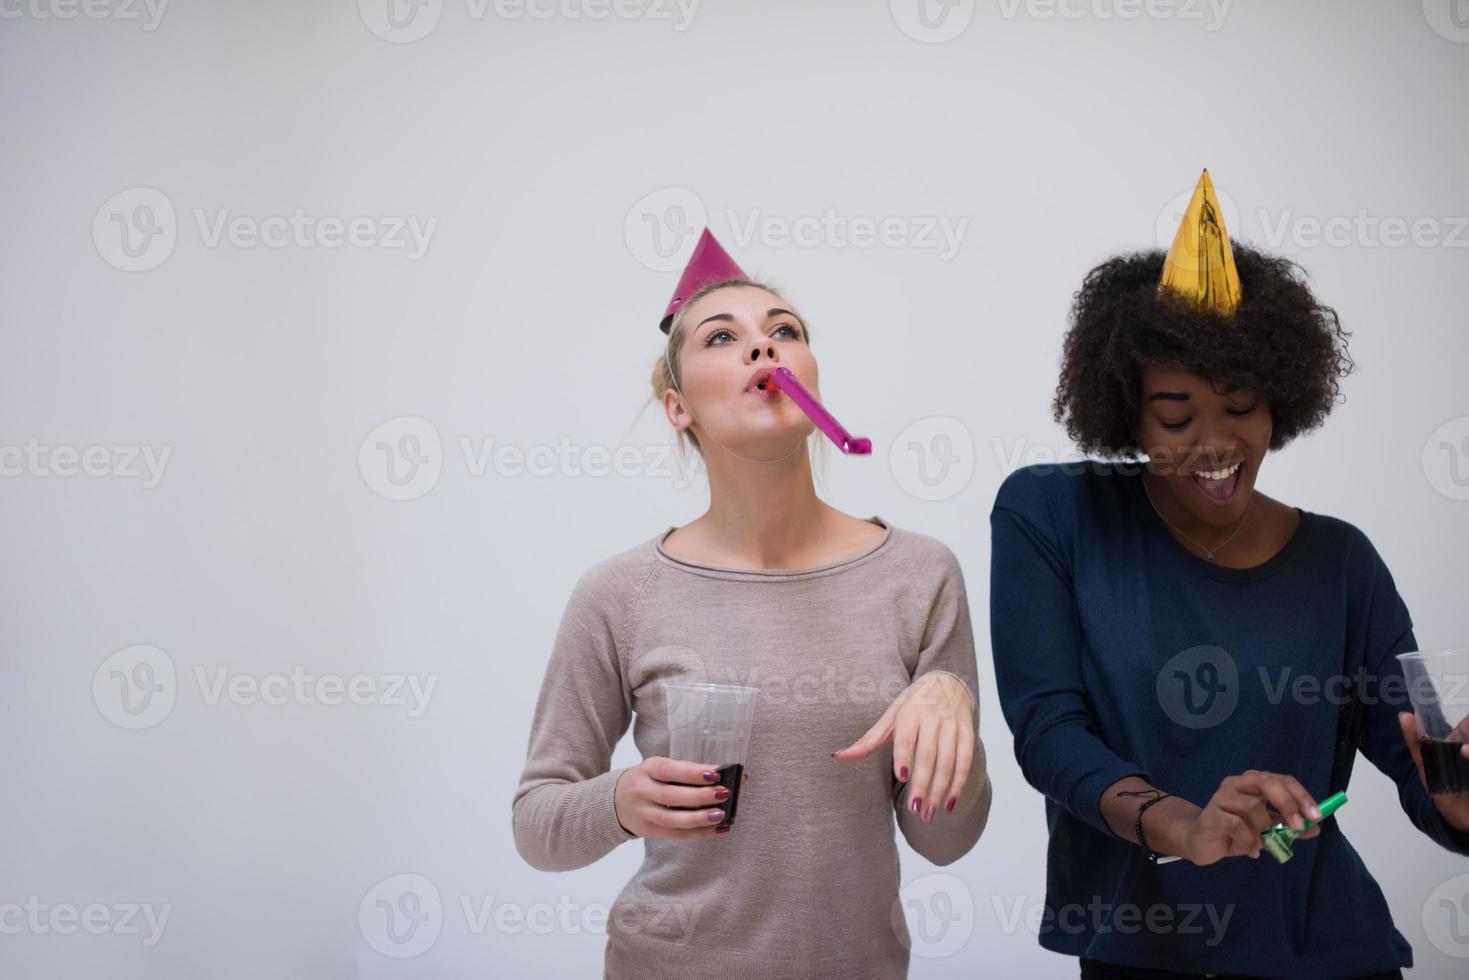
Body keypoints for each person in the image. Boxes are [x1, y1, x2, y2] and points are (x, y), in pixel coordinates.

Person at [990, 171, 1469, 979]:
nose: (1214, 442)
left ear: (1283, 397)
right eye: (1175, 416)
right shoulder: (1052, 516)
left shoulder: (1341, 563)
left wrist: (1456, 797)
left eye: (1241, 406)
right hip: (1137, 952)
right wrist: (1187, 827)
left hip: (1329, 953)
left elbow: (1422, 753)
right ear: (1127, 414)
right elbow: (1049, 736)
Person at [513, 229, 992, 979]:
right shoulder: (617, 594)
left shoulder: (919, 575)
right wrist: (619, 801)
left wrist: (954, 701)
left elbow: (945, 843)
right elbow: (535, 825)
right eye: (721, 337)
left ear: (811, 375)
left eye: (784, 332)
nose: (763, 348)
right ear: (678, 408)